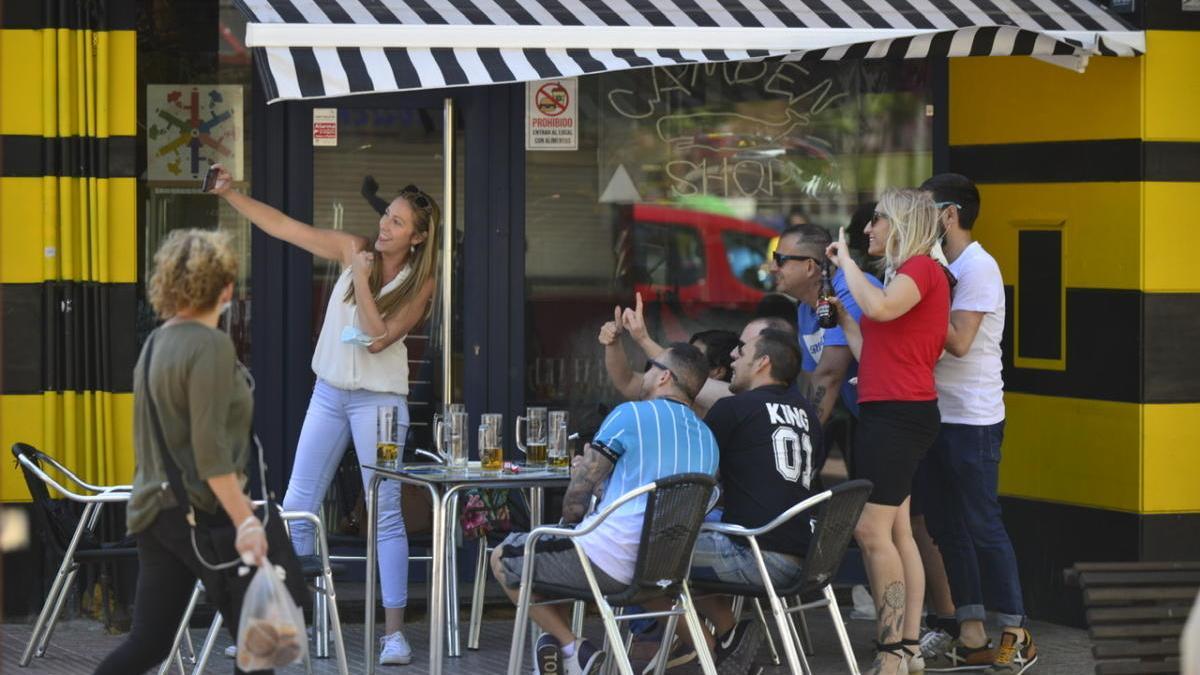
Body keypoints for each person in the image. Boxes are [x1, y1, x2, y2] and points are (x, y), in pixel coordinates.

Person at [210, 164, 438, 665]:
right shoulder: (351, 246)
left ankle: (394, 634)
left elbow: (378, 339)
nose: (385, 226)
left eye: (398, 223)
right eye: (388, 216)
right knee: (297, 503)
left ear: (417, 238)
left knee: (385, 513)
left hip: (380, 403)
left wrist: (360, 276)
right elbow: (286, 228)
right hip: (330, 392)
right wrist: (232, 196)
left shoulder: (417, 284)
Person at [96, 230, 302, 675]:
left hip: (155, 512)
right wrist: (245, 519)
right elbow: (209, 451)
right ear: (226, 287)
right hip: (203, 515)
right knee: (260, 647)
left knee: (149, 644)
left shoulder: (156, 342)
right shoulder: (209, 345)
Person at [491, 342, 716, 675]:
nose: (645, 372)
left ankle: (573, 648)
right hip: (665, 566)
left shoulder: (631, 415)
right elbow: (643, 493)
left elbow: (575, 504)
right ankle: (561, 653)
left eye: (650, 365)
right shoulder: (708, 438)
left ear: (665, 376)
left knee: (503, 558)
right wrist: (598, 486)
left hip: (608, 562)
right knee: (560, 554)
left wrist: (581, 479)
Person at [825, 188, 951, 675]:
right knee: (897, 532)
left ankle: (890, 651)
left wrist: (846, 265)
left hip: (899, 415)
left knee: (869, 529)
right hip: (890, 412)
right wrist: (841, 304)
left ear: (900, 224)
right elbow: (870, 341)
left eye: (876, 221)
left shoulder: (919, 269)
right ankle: (909, 648)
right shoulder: (904, 276)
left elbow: (877, 310)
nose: (867, 230)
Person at [916, 174, 1037, 675]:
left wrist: (915, 302)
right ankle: (971, 632)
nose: (916, 222)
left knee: (983, 524)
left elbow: (960, 341)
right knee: (947, 527)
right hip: (933, 412)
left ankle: (1016, 631)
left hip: (974, 417)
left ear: (948, 215)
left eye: (925, 211)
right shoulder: (935, 267)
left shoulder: (977, 266)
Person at [655, 327, 826, 672]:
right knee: (682, 548)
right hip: (810, 560)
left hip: (756, 557)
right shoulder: (809, 414)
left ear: (762, 362)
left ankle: (715, 643)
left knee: (646, 554)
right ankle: (731, 638)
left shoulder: (734, 409)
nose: (733, 357)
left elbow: (692, 479)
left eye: (742, 352)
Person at [771, 222, 884, 427]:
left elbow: (829, 375)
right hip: (873, 419)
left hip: (909, 421)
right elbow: (810, 378)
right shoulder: (805, 307)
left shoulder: (848, 290)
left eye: (779, 260)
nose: (772, 267)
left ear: (809, 267)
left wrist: (802, 439)